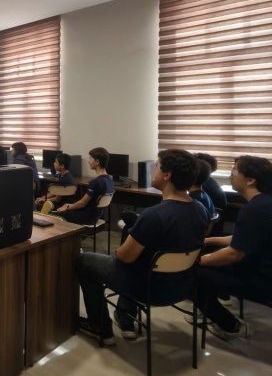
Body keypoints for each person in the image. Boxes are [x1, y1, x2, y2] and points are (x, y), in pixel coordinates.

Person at [76, 149, 209, 345]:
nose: (151, 170)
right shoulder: (201, 210)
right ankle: (123, 315)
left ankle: (100, 327)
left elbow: (125, 257)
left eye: (156, 166)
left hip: (146, 288)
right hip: (182, 287)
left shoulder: (154, 215)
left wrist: (118, 251)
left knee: (83, 261)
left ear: (167, 174)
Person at [195, 155, 272, 340]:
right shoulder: (264, 203)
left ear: (251, 180)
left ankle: (230, 325)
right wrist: (208, 241)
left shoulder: (254, 209)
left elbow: (235, 254)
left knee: (190, 274)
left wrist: (197, 261)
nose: (230, 175)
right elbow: (243, 238)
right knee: (208, 258)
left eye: (235, 171)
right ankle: (210, 312)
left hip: (262, 280)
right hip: (261, 268)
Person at [53, 147, 114, 224]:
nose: (88, 161)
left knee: (53, 216)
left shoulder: (95, 182)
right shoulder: (109, 179)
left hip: (87, 217)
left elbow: (82, 203)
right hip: (96, 216)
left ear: (97, 162)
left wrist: (67, 206)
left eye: (90, 159)